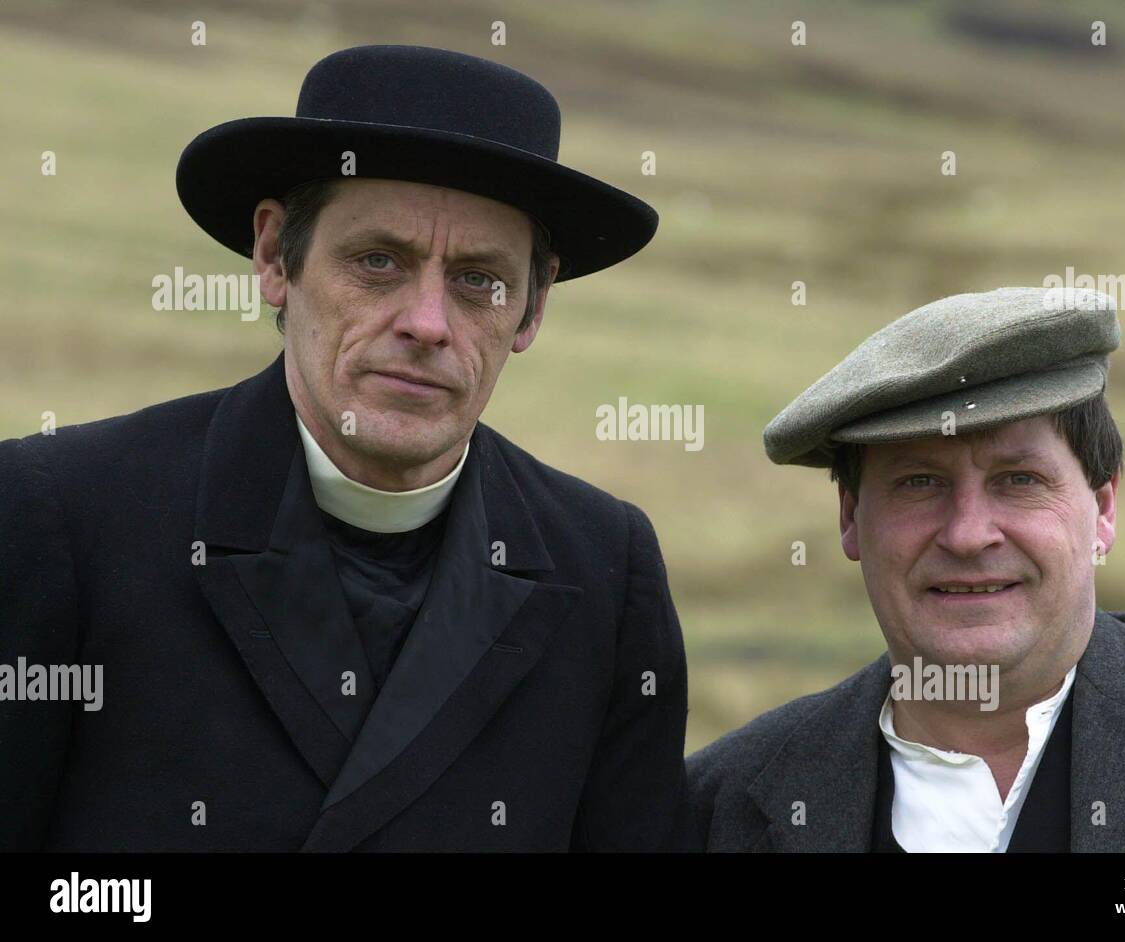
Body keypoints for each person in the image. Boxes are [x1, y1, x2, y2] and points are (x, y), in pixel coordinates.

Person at [0, 45, 688, 851]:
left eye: (478, 280)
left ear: (532, 309)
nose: (427, 323)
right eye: (377, 262)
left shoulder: (606, 571)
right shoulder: (63, 515)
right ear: (273, 256)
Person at [686, 286, 1125, 852]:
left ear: (1103, 507)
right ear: (850, 517)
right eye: (919, 482)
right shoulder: (715, 811)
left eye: (1019, 480)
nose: (968, 534)